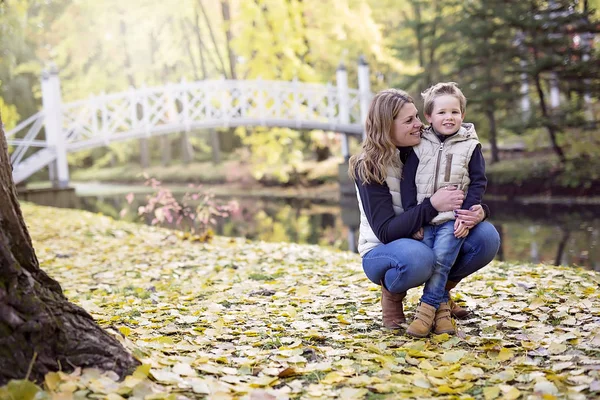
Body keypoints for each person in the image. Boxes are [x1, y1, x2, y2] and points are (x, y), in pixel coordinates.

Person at [348, 88, 500, 335]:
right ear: (387, 126)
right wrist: (432, 206)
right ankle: (392, 297)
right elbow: (386, 231)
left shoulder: (421, 149)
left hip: (426, 233)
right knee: (420, 258)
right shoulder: (367, 166)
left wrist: (478, 211)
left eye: (417, 116)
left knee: (486, 237)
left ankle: (438, 295)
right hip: (383, 250)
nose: (419, 125)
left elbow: (465, 183)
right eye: (409, 120)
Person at [400, 82, 487, 338]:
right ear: (428, 116)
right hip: (425, 217)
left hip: (452, 219)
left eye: (455, 112)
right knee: (431, 262)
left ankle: (426, 310)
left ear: (463, 115)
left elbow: (478, 182)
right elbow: (407, 182)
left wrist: (468, 214)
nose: (449, 117)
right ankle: (442, 311)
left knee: (441, 260)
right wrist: (411, 215)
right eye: (442, 112)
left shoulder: (471, 145)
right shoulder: (419, 144)